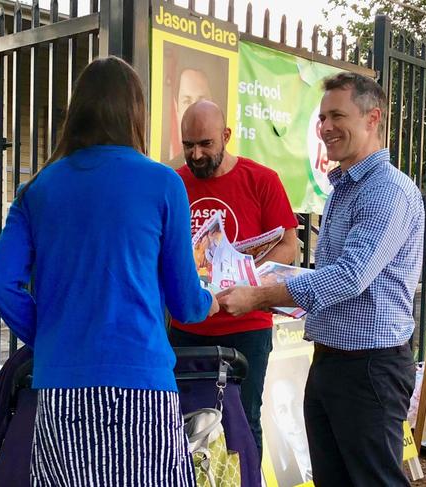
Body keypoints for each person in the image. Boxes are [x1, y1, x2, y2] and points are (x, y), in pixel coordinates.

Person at [0, 56, 218, 486]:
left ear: (77, 110)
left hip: (60, 387)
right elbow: (186, 303)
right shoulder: (164, 184)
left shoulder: (38, 188)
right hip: (144, 386)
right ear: (136, 113)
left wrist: (50, 333)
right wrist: (212, 299)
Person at [218, 72, 425, 486]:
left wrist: (260, 295)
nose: (326, 127)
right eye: (321, 118)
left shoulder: (387, 191)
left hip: (369, 369)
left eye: (337, 115)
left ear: (372, 118)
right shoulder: (345, 188)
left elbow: (349, 277)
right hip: (333, 361)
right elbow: (334, 275)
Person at [168, 100, 299, 462]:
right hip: (188, 324)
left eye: (205, 144)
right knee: (180, 422)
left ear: (226, 136)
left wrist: (247, 279)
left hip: (247, 325)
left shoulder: (261, 180)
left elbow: (289, 244)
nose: (195, 154)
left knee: (243, 421)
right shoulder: (174, 184)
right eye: (188, 144)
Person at [263, 361, 312, 485]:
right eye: (283, 410)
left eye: (296, 404)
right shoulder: (285, 479)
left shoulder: (336, 461)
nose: (293, 418)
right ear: (276, 420)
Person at [169, 67, 214, 168]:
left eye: (201, 100)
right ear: (177, 106)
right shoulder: (170, 172)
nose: (195, 109)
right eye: (187, 101)